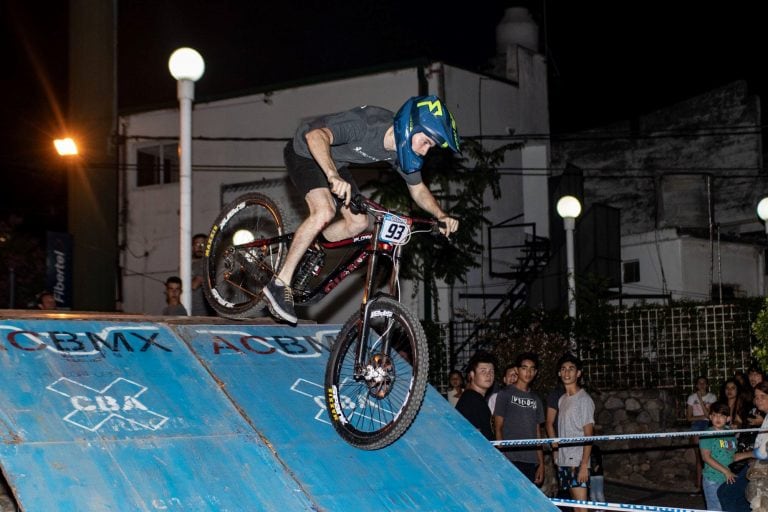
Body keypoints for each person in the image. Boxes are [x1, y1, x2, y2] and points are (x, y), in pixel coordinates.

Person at [263, 96, 461, 324]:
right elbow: (315, 136)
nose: (425, 152)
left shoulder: (401, 151)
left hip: (334, 163)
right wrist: (332, 176)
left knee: (358, 223)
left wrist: (441, 215)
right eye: (425, 142)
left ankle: (309, 245)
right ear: (410, 127)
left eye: (430, 147)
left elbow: (418, 190)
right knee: (325, 210)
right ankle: (279, 284)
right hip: (305, 152)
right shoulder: (367, 125)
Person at [493, 352, 545, 485]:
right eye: (524, 368)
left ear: (536, 372)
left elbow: (538, 433)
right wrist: (501, 455)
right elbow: (498, 426)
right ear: (516, 370)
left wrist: (541, 464)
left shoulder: (536, 399)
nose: (528, 372)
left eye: (532, 369)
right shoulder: (505, 394)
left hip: (530, 460)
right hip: (510, 458)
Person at [554, 353, 595, 512]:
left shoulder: (584, 399)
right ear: (559, 373)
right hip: (565, 461)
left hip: (577, 461)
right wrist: (558, 455)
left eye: (571, 369)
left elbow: (589, 434)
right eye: (563, 369)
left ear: (578, 373)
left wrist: (584, 465)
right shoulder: (562, 399)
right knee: (575, 508)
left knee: (581, 509)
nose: (567, 372)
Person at [699, 401, 753, 511]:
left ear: (728, 418)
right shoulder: (707, 434)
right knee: (716, 508)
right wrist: (726, 471)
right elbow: (706, 457)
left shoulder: (730, 433)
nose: (718, 418)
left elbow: (732, 457)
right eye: (715, 415)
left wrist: (754, 453)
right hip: (712, 479)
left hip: (727, 479)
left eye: (722, 415)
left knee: (727, 507)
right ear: (710, 417)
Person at [455, 351, 495, 440]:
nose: (488, 375)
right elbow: (473, 437)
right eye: (483, 371)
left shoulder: (476, 398)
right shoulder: (471, 399)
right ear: (472, 374)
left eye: (491, 371)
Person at [687, 375, 717, 492]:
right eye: (699, 383)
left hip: (708, 425)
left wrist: (700, 400)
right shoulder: (691, 397)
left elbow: (710, 416)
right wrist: (702, 416)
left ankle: (710, 483)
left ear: (707, 385)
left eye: (704, 382)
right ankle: (699, 485)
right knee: (699, 456)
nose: (702, 385)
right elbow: (689, 418)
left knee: (710, 455)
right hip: (696, 425)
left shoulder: (712, 397)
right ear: (696, 385)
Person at [191, 233, 214, 316]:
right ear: (192, 247)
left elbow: (195, 284)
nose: (200, 247)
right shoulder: (186, 264)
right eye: (197, 244)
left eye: (203, 244)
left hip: (203, 313)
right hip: (189, 310)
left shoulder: (206, 263)